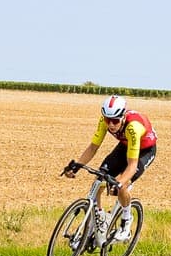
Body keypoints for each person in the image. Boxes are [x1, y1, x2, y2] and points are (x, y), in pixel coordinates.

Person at [64, 95, 155, 240]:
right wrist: (77, 166)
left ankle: (126, 221)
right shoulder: (104, 121)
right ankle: (100, 220)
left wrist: (119, 182)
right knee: (99, 181)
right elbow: (93, 147)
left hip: (144, 150)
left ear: (123, 117)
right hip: (125, 146)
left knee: (122, 185)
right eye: (107, 120)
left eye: (115, 121)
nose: (111, 125)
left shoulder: (133, 128)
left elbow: (132, 166)